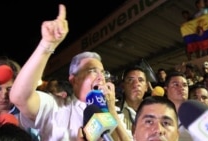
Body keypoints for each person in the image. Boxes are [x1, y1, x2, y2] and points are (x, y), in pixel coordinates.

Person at [9, 4, 130, 141]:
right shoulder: (56, 108)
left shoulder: (115, 113)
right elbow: (19, 97)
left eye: (103, 72)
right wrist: (47, 44)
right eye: (93, 71)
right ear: (74, 79)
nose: (101, 77)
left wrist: (111, 111)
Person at [116, 65, 148, 131]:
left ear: (146, 87)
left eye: (140, 80)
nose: (136, 84)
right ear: (123, 86)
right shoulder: (113, 110)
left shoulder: (155, 111)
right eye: (130, 80)